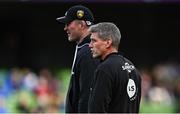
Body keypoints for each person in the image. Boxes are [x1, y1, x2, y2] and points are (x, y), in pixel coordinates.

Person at [88, 22, 141, 113]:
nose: (90, 45)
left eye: (94, 41)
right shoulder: (132, 68)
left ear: (108, 43)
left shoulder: (104, 69)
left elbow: (97, 109)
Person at [56, 5, 99, 113]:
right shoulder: (84, 48)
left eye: (68, 23)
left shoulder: (89, 52)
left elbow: (88, 94)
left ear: (81, 25)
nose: (65, 28)